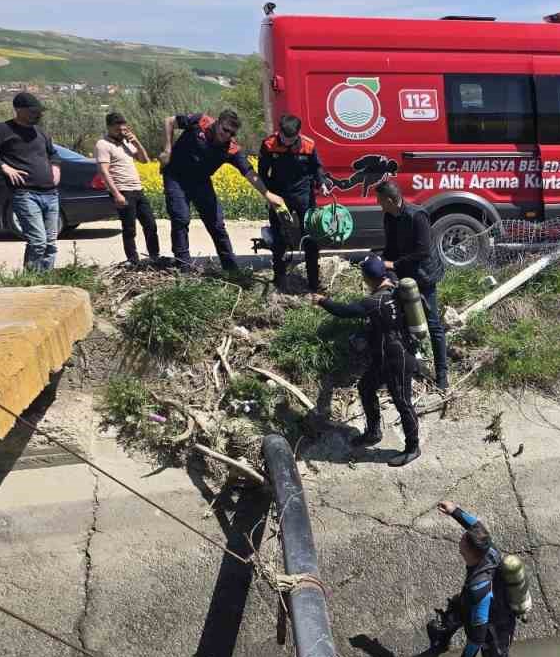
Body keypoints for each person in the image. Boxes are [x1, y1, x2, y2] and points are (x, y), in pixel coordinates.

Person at [310, 255, 421, 466]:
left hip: (397, 359)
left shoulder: (373, 302)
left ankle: (413, 447)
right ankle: (373, 432)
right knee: (366, 387)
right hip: (386, 356)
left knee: (403, 403)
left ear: (368, 278)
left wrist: (322, 300)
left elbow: (343, 311)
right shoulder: (396, 289)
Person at [415, 500, 520, 657]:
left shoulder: (479, 587)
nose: (461, 538)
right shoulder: (489, 549)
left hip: (494, 628)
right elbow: (475, 526)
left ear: (470, 551)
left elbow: (478, 634)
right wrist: (454, 511)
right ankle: (440, 645)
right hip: (472, 603)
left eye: (464, 539)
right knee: (449, 617)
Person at [159, 109, 284, 271]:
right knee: (180, 219)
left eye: (231, 133)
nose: (227, 135)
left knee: (217, 224)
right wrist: (167, 149)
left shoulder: (231, 149)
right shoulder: (200, 121)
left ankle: (231, 269)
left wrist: (267, 194)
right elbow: (169, 120)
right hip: (175, 177)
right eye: (225, 130)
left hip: (200, 182)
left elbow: (249, 172)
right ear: (217, 122)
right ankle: (184, 267)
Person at [375, 180, 449, 391]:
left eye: (380, 200)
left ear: (390, 200)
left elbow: (422, 251)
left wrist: (394, 264)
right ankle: (410, 364)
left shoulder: (417, 216)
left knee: (433, 324)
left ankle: (442, 374)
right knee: (404, 321)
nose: (378, 204)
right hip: (403, 275)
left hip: (424, 275)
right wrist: (382, 265)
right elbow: (390, 248)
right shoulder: (389, 216)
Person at [0, 93, 60, 271]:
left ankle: (47, 279)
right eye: (34, 111)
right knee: (38, 241)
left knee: (51, 243)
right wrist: (3, 166)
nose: (38, 115)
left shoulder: (40, 132)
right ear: (19, 110)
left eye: (39, 112)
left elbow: (53, 153)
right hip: (25, 194)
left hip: (51, 194)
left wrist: (55, 167)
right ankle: (33, 280)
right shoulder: (2, 130)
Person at [259, 114, 333, 293]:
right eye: (283, 138)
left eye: (291, 139)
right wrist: (269, 194)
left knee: (311, 238)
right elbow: (262, 172)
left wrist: (321, 183)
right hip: (279, 197)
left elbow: (317, 168)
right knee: (280, 238)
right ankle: (279, 279)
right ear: (279, 132)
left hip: (304, 196)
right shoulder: (269, 144)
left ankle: (314, 283)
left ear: (298, 134)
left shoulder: (308, 144)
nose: (286, 142)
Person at [95, 112, 160, 266]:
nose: (122, 133)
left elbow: (145, 160)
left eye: (124, 130)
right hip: (122, 190)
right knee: (129, 228)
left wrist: (136, 142)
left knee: (151, 224)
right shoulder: (102, 144)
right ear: (109, 127)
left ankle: (154, 256)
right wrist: (116, 194)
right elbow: (103, 171)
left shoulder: (127, 143)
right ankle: (133, 260)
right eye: (118, 130)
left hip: (138, 189)